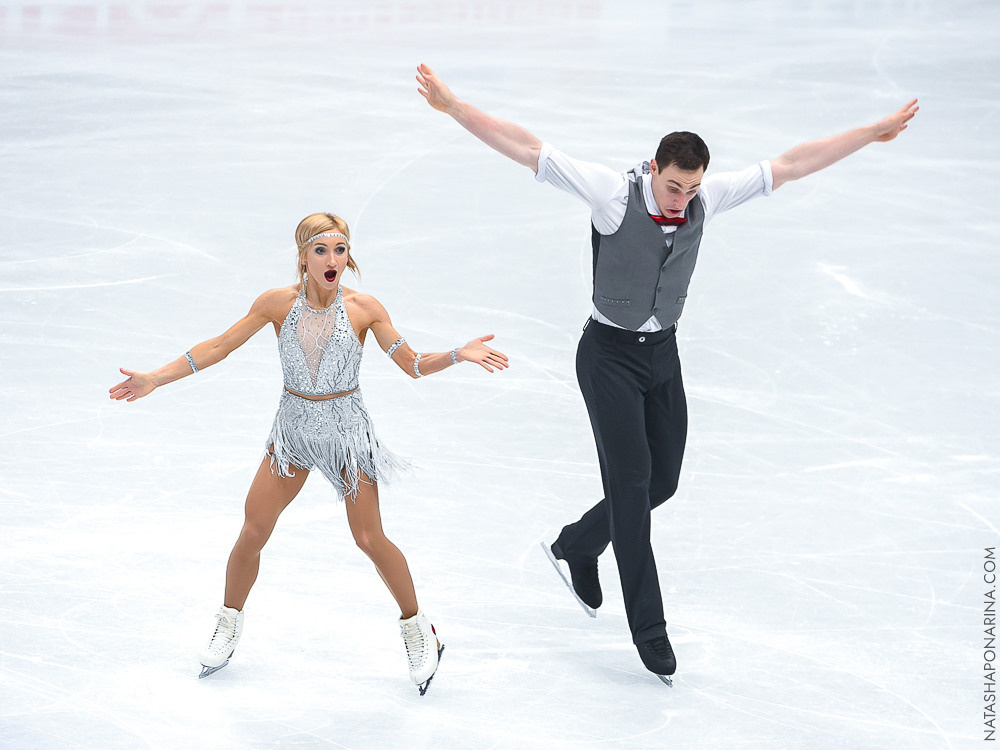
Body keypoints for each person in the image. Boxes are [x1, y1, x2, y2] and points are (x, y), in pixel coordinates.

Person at [415, 62, 917, 684]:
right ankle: (649, 629)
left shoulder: (705, 197)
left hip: (662, 356)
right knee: (632, 489)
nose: (683, 199)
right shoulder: (609, 192)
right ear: (654, 170)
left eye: (692, 189)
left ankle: (576, 543)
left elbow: (790, 164)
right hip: (607, 357)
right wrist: (455, 107)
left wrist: (870, 133)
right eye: (675, 186)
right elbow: (527, 148)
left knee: (663, 482)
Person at [108, 212, 509, 695]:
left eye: (340, 250)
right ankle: (228, 620)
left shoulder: (364, 309)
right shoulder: (277, 304)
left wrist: (455, 354)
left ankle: (418, 628)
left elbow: (412, 364)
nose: (332, 259)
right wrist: (155, 377)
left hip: (346, 434)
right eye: (321, 250)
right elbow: (218, 346)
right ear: (303, 257)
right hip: (293, 432)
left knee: (368, 537)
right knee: (253, 529)